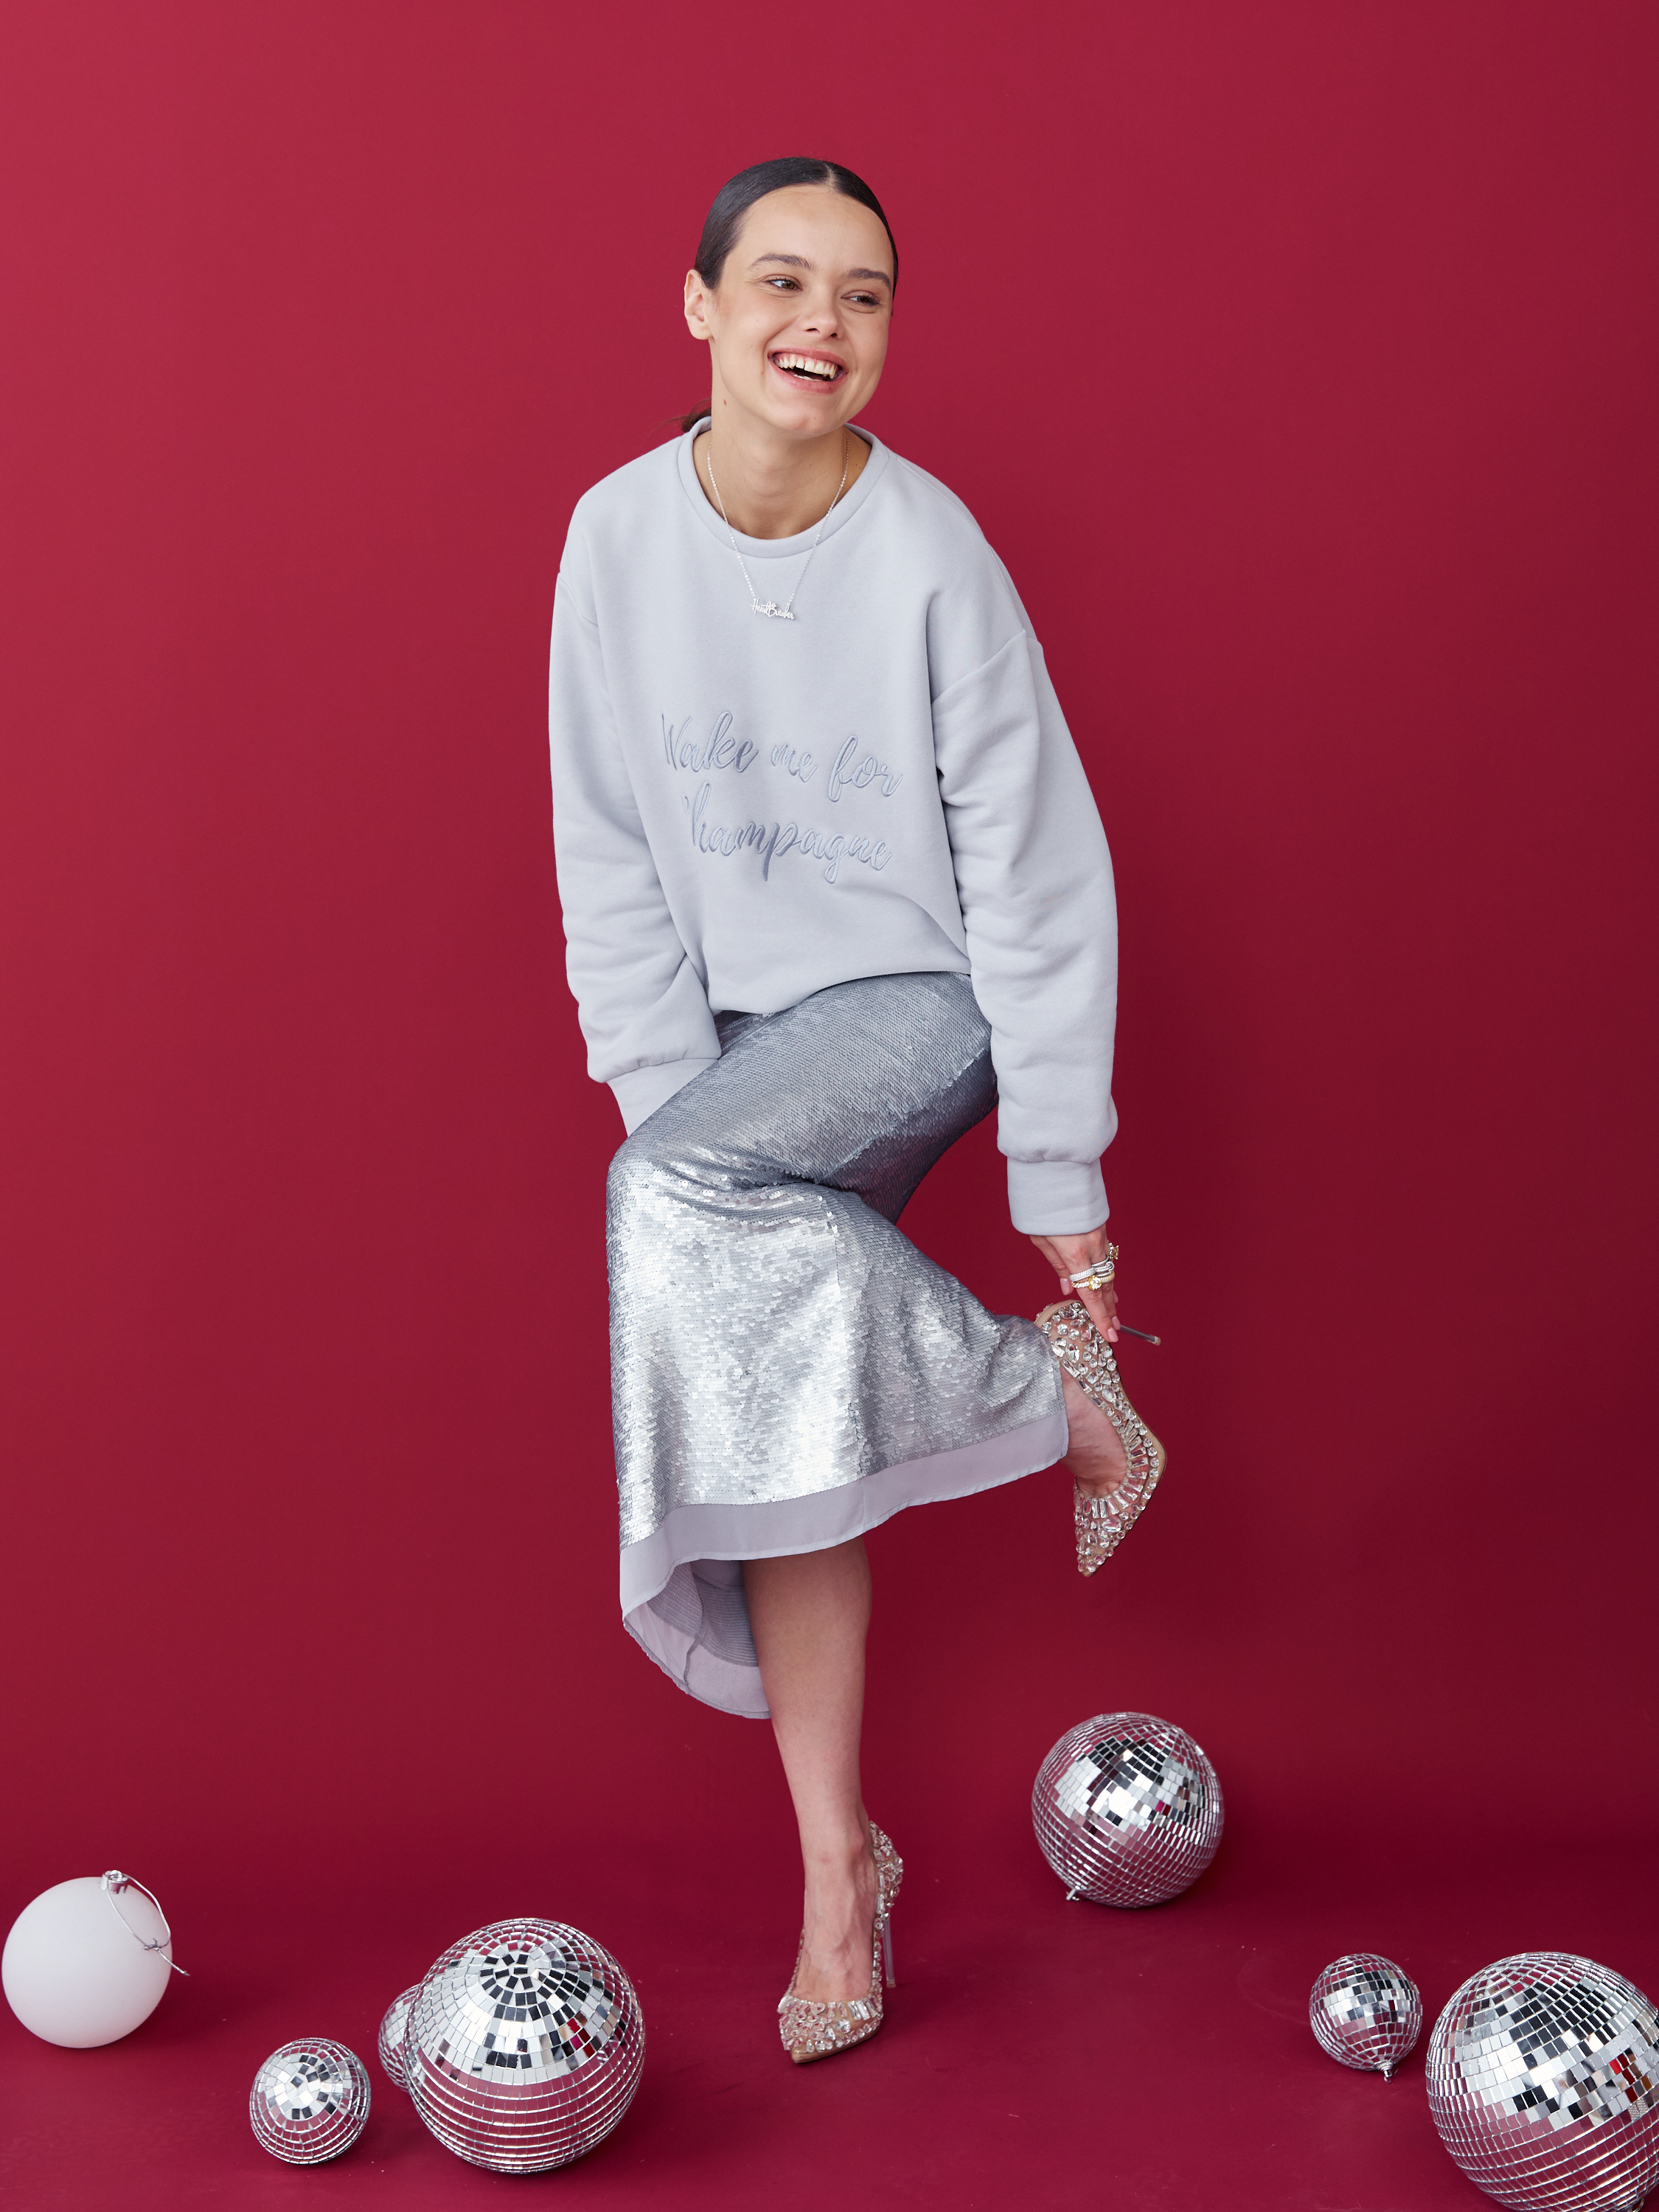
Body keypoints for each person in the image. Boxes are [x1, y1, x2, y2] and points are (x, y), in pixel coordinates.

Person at [547, 156, 1164, 2065]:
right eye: (783, 281)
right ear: (699, 305)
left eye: (865, 294)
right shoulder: (613, 540)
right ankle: (842, 1875)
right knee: (773, 1411)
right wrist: (684, 1136)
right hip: (742, 1065)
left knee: (686, 1226)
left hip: (923, 1003)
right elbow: (607, 859)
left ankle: (1048, 1386)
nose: (823, 321)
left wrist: (1056, 1164)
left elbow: (1039, 872)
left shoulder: (927, 551)